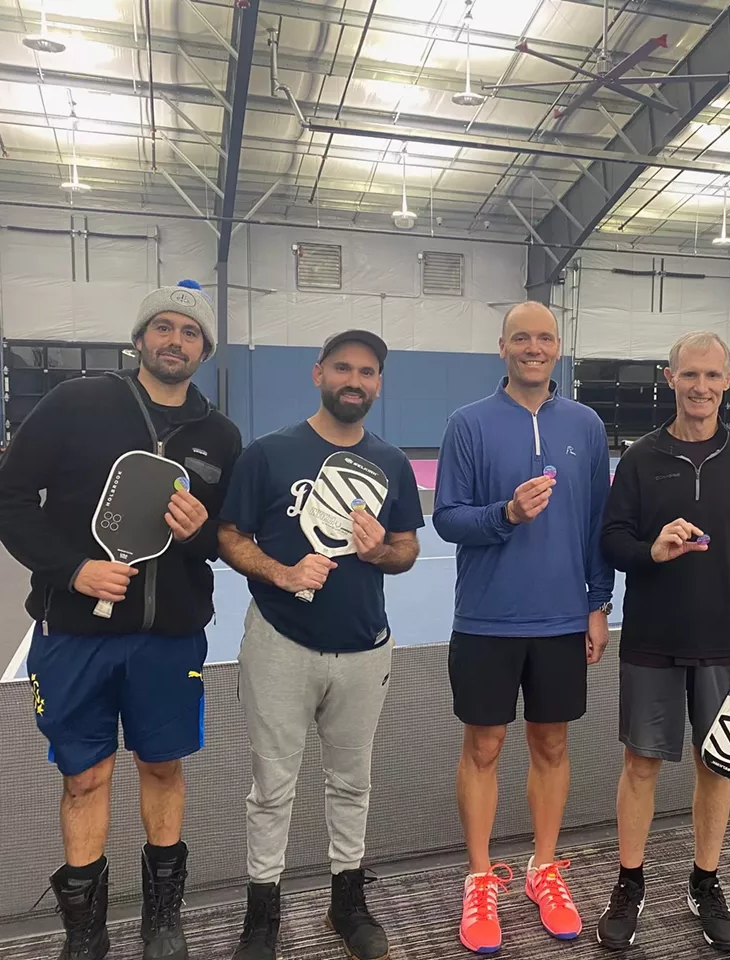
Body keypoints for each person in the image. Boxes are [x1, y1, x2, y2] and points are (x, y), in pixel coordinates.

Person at [0, 280, 242, 960]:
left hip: (170, 639)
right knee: (85, 778)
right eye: (162, 327)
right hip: (75, 635)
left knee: (162, 770)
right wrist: (71, 569)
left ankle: (163, 922)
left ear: (204, 349)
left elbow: (223, 542)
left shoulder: (220, 435)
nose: (175, 340)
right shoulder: (78, 402)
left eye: (189, 333)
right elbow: (6, 498)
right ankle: (87, 935)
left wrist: (199, 530)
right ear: (139, 339)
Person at [217, 330, 423, 960]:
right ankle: (262, 910)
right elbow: (229, 535)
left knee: (351, 783)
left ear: (379, 383)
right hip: (281, 644)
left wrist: (379, 550)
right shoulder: (269, 454)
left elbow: (408, 549)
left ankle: (347, 901)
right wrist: (281, 572)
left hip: (366, 650)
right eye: (342, 368)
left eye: (366, 371)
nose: (353, 380)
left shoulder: (391, 463)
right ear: (318, 374)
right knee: (272, 785)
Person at [432, 300, 615, 954]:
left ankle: (543, 869)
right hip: (486, 619)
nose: (532, 347)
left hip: (564, 619)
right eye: (521, 338)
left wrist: (599, 603)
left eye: (543, 337)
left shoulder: (586, 426)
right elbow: (448, 519)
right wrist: (505, 514)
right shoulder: (468, 424)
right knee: (483, 747)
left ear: (557, 346)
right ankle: (480, 877)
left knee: (552, 745)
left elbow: (599, 523)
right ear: (502, 347)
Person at [597, 331, 730, 952]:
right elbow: (613, 541)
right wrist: (651, 549)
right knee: (641, 763)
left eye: (712, 376)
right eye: (689, 375)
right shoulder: (641, 459)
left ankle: (705, 882)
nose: (700, 387)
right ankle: (630, 882)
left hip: (726, 646)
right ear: (669, 378)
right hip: (651, 638)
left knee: (715, 765)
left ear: (728, 381)